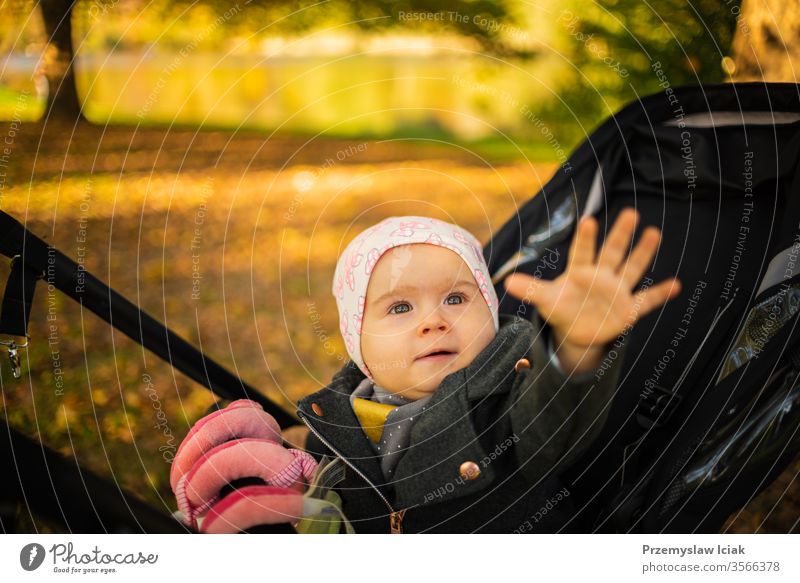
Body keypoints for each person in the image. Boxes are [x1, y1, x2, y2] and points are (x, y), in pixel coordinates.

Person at [290, 210, 681, 533]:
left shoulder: (509, 397)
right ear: (357, 339)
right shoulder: (339, 419)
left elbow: (554, 421)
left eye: (456, 298)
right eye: (400, 308)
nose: (434, 320)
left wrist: (576, 347)